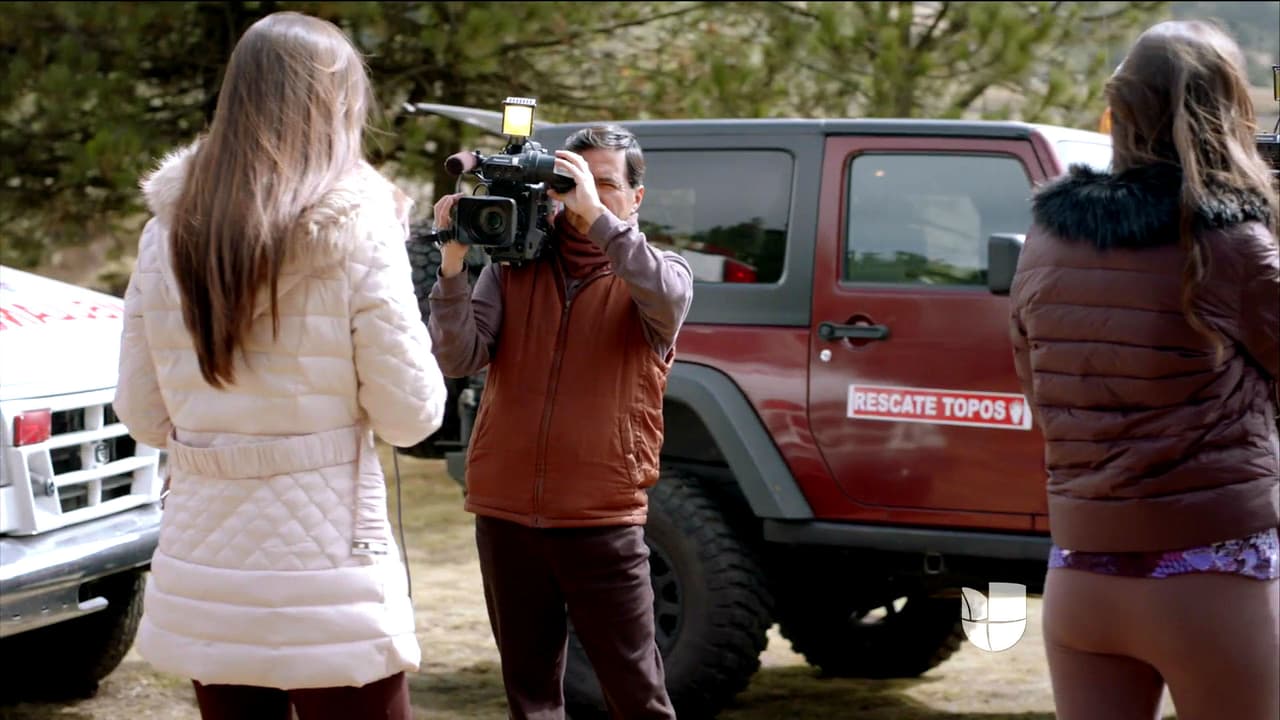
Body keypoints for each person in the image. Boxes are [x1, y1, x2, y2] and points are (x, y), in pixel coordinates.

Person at [113, 11, 447, 720]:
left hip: (209, 561)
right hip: (328, 564)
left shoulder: (163, 234)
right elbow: (411, 415)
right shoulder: (363, 230)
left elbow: (143, 415)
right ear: (337, 103)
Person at [1010, 20, 1279, 720]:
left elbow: (1040, 392)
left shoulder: (1047, 236)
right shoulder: (1230, 242)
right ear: (1226, 111)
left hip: (1081, 570)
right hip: (1211, 573)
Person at [427, 125, 693, 719]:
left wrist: (596, 216)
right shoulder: (512, 268)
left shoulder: (660, 273)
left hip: (601, 514)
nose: (584, 195)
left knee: (637, 693)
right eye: (572, 183)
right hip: (505, 511)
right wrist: (451, 270)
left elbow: (663, 296)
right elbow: (457, 357)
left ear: (635, 198)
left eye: (604, 184)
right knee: (531, 694)